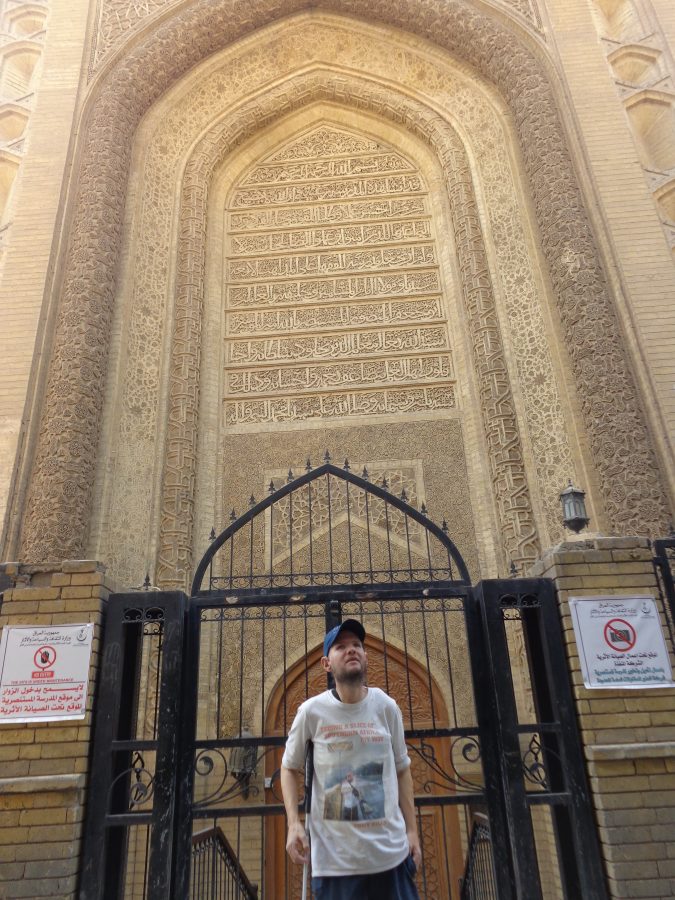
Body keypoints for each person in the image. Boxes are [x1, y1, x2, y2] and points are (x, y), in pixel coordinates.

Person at [281, 619, 421, 899]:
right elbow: (288, 768)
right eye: (341, 647)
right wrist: (293, 823)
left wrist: (412, 831)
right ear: (326, 664)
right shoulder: (312, 712)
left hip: (390, 856)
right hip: (335, 865)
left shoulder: (386, 707)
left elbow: (402, 770)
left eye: (357, 645)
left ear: (366, 657)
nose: (351, 650)